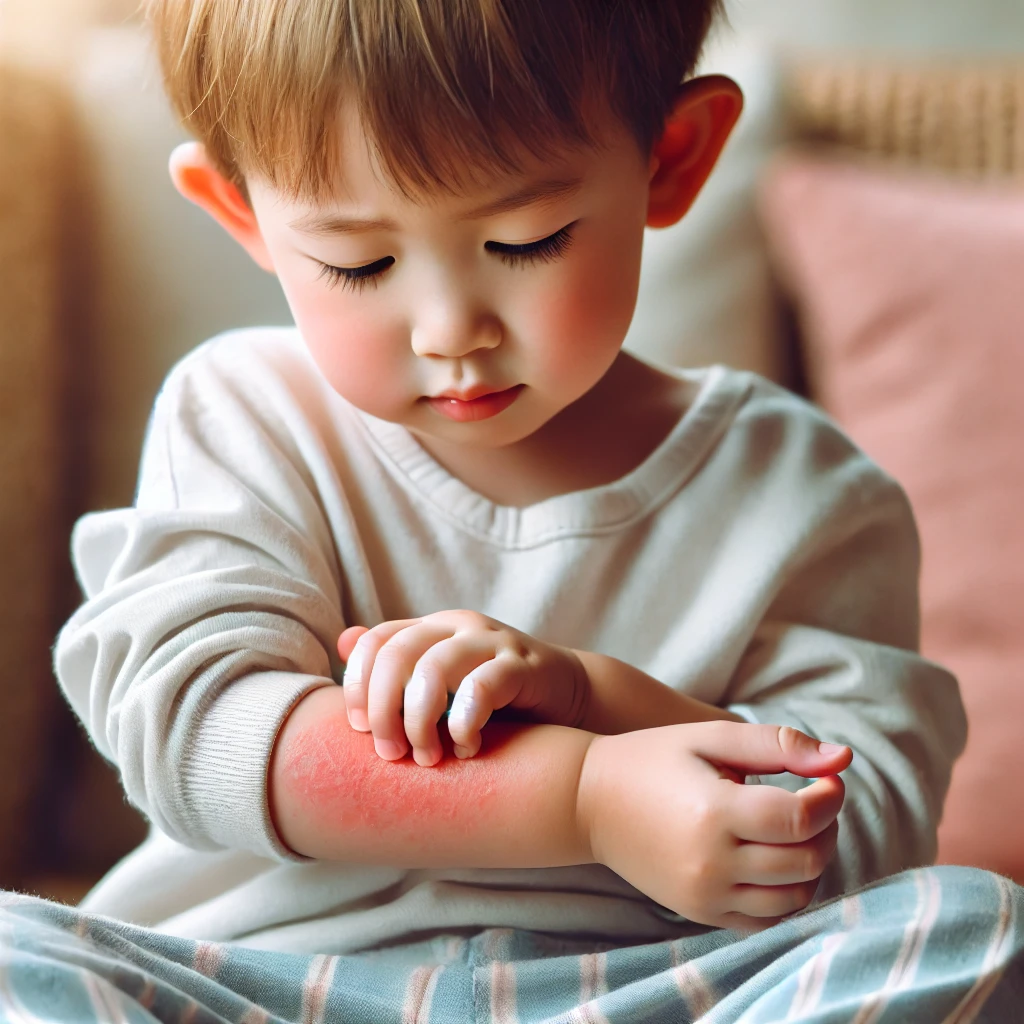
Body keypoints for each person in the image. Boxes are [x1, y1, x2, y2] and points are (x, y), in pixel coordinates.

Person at [2, 0, 1020, 1020]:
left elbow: (866, 832)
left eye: (524, 240)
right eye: (361, 263)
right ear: (240, 213)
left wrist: (596, 701)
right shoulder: (244, 415)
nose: (451, 331)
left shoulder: (800, 489)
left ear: (671, 158)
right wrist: (581, 795)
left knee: (964, 923)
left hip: (653, 991)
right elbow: (197, 740)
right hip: (264, 983)